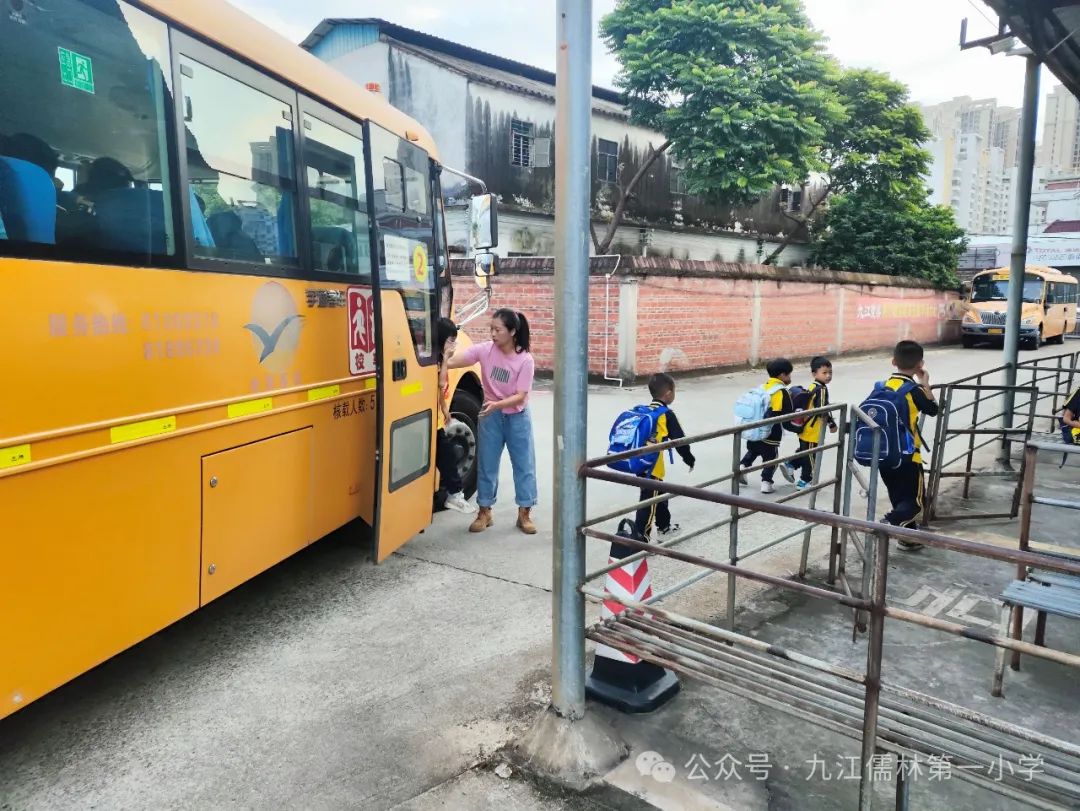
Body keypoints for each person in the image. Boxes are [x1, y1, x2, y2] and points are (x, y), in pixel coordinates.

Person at [447, 309, 538, 535]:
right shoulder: (485, 350)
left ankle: (524, 513)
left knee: (524, 465)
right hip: (491, 416)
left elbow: (521, 396)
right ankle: (485, 512)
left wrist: (497, 405)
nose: (493, 334)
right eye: (492, 329)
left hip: (516, 416)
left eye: (498, 330)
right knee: (487, 464)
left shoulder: (525, 360)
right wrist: (443, 357)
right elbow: (458, 361)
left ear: (513, 332)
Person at [879, 340, 939, 549]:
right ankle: (890, 523)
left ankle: (908, 538)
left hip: (884, 455)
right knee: (915, 502)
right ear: (920, 364)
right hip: (907, 455)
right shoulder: (914, 390)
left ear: (893, 361)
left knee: (899, 497)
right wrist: (925, 383)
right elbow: (933, 409)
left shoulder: (882, 386)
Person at [633, 373, 696, 539]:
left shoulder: (646, 410)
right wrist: (689, 459)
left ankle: (664, 527)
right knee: (648, 501)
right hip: (653, 465)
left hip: (639, 461)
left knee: (658, 494)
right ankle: (640, 538)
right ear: (668, 394)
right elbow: (680, 441)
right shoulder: (666, 414)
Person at [740, 358, 796, 494]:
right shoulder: (783, 392)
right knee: (771, 458)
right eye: (789, 374)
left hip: (755, 429)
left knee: (753, 450)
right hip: (771, 432)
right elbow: (788, 416)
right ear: (782, 375)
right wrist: (797, 428)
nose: (790, 377)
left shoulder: (763, 387)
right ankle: (766, 482)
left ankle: (742, 467)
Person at [434, 317, 472, 514]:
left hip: (436, 418)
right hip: (430, 421)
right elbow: (440, 384)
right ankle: (455, 495)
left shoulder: (441, 358)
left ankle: (455, 495)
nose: (454, 344)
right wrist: (446, 360)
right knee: (447, 456)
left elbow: (441, 394)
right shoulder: (435, 360)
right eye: (451, 340)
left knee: (446, 456)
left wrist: (445, 411)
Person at [787, 356, 838, 490]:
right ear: (814, 374)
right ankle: (804, 481)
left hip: (805, 426)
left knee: (806, 451)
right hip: (813, 429)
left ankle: (791, 464)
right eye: (824, 373)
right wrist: (832, 424)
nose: (828, 376)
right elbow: (823, 409)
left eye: (830, 372)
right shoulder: (821, 389)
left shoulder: (813, 385)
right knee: (811, 457)